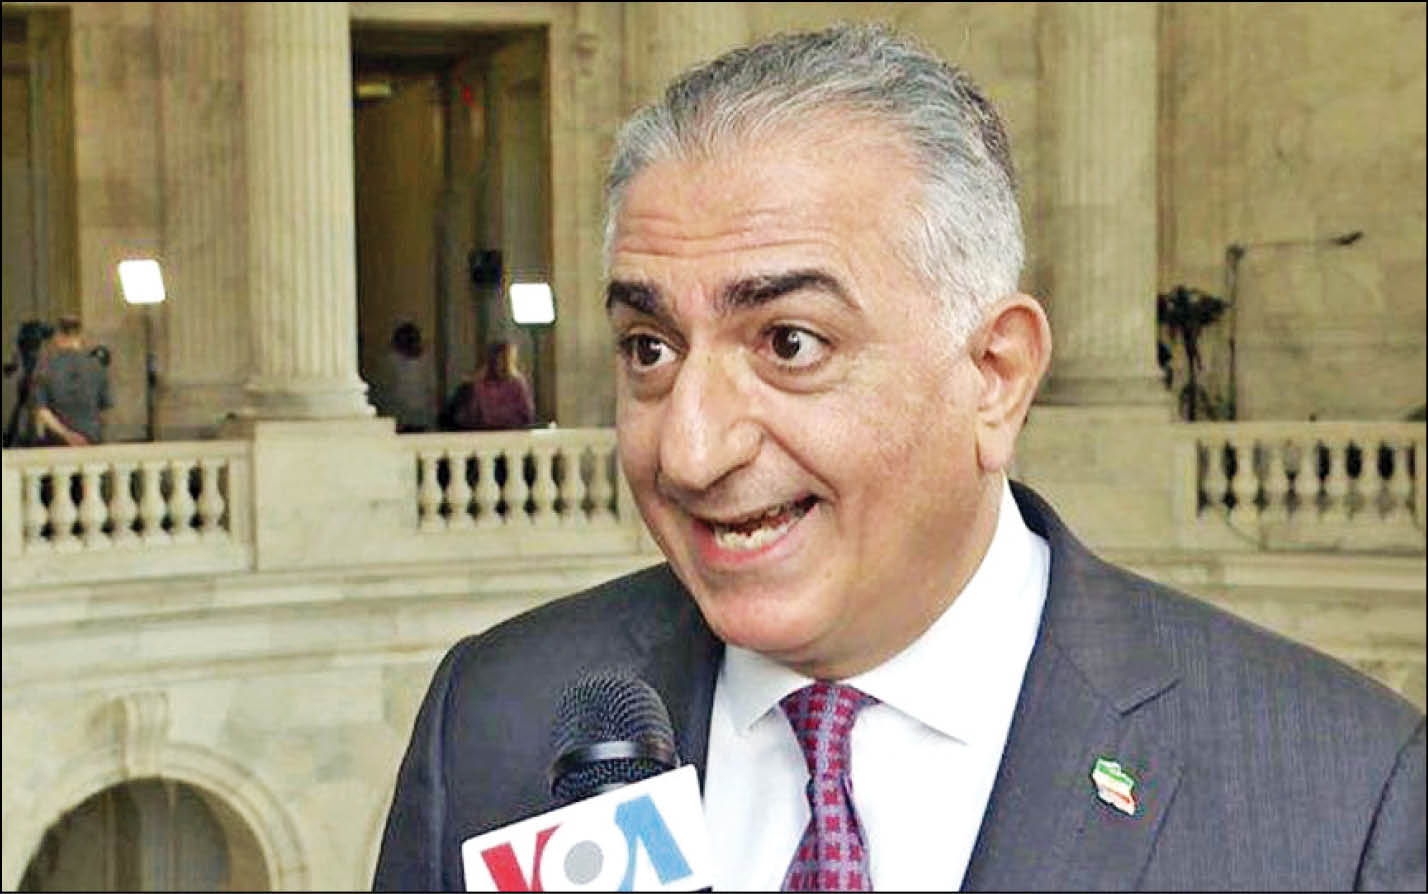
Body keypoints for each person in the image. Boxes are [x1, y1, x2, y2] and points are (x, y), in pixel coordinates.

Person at [374, 24, 1424, 892]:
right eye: (650, 348)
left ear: (995, 375)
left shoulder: (1339, 798)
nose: (690, 451)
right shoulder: (495, 717)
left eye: (790, 343)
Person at [31, 315, 111, 447]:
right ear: (81, 335)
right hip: (91, 442)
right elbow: (104, 411)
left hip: (58, 444)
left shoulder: (45, 367)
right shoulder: (97, 366)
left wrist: (67, 435)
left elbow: (42, 411)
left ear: (58, 336)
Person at [448, 340, 535, 431]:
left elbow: (527, 414)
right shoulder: (478, 384)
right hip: (485, 432)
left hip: (512, 431)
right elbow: (470, 415)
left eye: (505, 359)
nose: (501, 363)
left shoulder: (517, 383)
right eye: (499, 358)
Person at [375, 322, 438, 433]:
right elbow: (385, 392)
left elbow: (431, 390)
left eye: (412, 339)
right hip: (399, 420)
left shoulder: (425, 362)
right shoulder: (391, 362)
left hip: (422, 419)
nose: (410, 343)